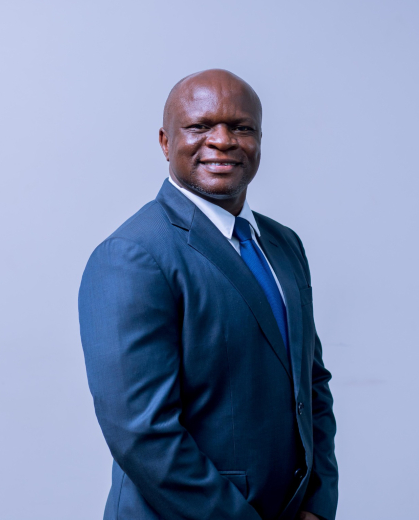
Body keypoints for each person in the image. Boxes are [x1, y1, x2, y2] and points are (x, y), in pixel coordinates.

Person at [78, 69, 338, 520]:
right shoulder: (132, 255)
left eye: (241, 127)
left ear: (259, 139)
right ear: (165, 142)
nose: (222, 140)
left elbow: (310, 384)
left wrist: (317, 503)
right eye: (199, 126)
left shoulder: (284, 244)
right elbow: (143, 433)